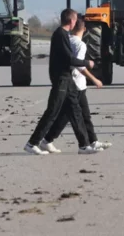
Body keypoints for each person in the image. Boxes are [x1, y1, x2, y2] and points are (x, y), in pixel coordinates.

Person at [24, 9, 92, 155]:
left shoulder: (64, 34)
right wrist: (87, 63)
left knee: (75, 110)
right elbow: (69, 59)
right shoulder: (60, 35)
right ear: (72, 21)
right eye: (75, 20)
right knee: (52, 112)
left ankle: (84, 145)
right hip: (61, 79)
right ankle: (32, 143)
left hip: (68, 79)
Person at [41, 19, 111, 153]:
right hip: (75, 84)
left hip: (72, 83)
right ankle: (83, 145)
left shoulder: (66, 40)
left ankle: (91, 141)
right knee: (76, 116)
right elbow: (78, 65)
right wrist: (94, 79)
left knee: (72, 115)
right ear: (84, 30)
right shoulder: (80, 44)